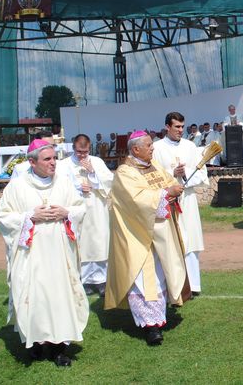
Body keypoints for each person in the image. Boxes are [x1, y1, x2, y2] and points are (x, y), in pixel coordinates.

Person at [0, 139, 88, 366]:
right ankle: (36, 342)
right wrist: (29, 216)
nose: (53, 163)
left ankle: (59, 348)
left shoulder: (64, 182)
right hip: (32, 255)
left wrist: (66, 212)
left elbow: (80, 207)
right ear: (32, 161)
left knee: (59, 297)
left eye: (54, 158)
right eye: (47, 159)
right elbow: (3, 215)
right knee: (35, 297)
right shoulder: (17, 187)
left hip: (59, 253)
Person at [105, 131, 188, 346]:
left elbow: (168, 181)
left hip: (160, 233)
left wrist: (174, 190)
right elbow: (135, 200)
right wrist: (165, 193)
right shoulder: (125, 173)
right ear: (136, 149)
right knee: (143, 281)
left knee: (160, 276)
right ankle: (150, 327)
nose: (153, 148)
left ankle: (159, 319)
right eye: (149, 145)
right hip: (138, 236)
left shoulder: (155, 165)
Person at [153, 112, 209, 296]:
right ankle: (172, 285)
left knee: (191, 241)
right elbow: (153, 177)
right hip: (168, 201)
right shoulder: (156, 148)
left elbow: (202, 174)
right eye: (176, 126)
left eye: (182, 126)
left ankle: (193, 285)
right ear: (167, 127)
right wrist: (171, 172)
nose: (180, 130)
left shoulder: (191, 146)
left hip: (188, 200)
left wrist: (185, 173)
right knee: (171, 242)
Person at [58, 134, 113, 296]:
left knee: (99, 241)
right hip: (76, 209)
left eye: (85, 151)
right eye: (79, 151)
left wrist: (92, 173)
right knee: (81, 242)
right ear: (73, 148)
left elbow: (110, 182)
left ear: (90, 148)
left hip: (96, 209)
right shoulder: (64, 165)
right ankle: (85, 280)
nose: (82, 155)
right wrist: (77, 188)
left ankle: (102, 280)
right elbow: (60, 186)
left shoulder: (97, 162)